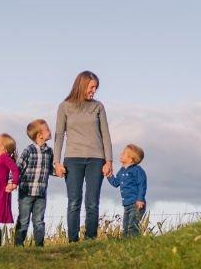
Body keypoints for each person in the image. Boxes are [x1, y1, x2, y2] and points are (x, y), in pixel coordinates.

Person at [53, 70, 113, 244]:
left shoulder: (98, 106)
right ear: (82, 85)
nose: (94, 91)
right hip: (73, 159)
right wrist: (57, 162)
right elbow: (59, 135)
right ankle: (73, 241)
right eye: (91, 87)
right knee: (74, 202)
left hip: (96, 159)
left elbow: (105, 134)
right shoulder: (64, 106)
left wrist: (109, 161)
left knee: (92, 202)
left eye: (96, 88)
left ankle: (90, 240)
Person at [15, 119, 54, 247]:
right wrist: (12, 182)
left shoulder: (49, 151)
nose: (50, 131)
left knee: (39, 221)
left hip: (41, 193)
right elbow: (18, 168)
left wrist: (59, 171)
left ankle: (39, 246)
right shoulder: (29, 150)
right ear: (40, 135)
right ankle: (18, 244)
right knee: (23, 220)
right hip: (26, 192)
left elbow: (50, 169)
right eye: (47, 129)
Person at [108, 143, 148, 238]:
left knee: (132, 226)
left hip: (136, 204)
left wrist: (140, 199)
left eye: (124, 153)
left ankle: (134, 242)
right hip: (126, 204)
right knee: (125, 227)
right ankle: (126, 243)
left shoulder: (137, 170)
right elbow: (115, 183)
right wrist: (109, 175)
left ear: (130, 159)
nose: (121, 154)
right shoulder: (122, 171)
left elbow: (142, 185)